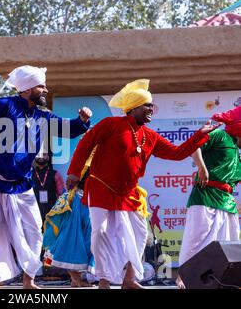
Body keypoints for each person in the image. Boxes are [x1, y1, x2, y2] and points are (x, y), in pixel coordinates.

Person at [66, 79, 220, 289]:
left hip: (128, 194)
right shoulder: (110, 125)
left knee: (140, 235)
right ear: (134, 108)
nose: (152, 109)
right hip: (101, 188)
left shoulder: (150, 136)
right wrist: (74, 173)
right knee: (101, 233)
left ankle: (129, 279)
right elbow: (85, 144)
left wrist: (199, 136)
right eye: (148, 106)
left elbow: (177, 154)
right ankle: (103, 279)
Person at [0, 65, 92, 289]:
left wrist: (82, 121)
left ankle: (29, 280)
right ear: (27, 89)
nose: (45, 90)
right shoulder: (4, 105)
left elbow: (68, 130)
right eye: (41, 86)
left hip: (20, 184)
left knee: (33, 230)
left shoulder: (42, 116)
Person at [176, 106, 241, 289]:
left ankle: (222, 280)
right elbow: (194, 146)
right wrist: (202, 167)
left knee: (229, 244)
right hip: (205, 195)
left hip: (227, 202)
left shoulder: (237, 151)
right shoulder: (220, 136)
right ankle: (183, 276)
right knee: (196, 239)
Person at [32, 152, 66, 224]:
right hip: (34, 213)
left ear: (48, 157)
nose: (41, 157)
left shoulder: (56, 174)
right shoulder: (29, 175)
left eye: (44, 154)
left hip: (52, 214)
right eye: (38, 154)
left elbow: (62, 196)